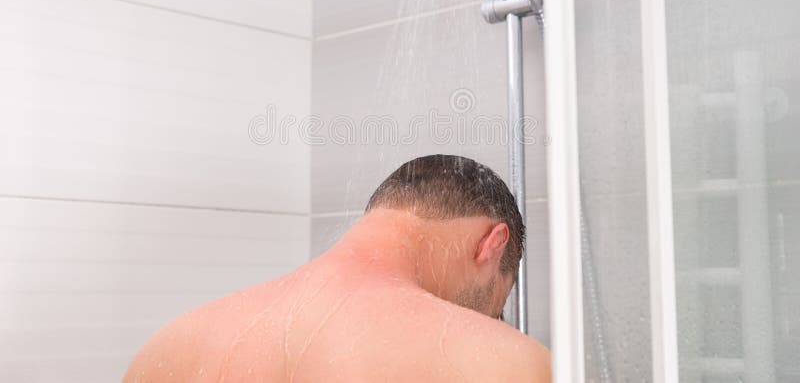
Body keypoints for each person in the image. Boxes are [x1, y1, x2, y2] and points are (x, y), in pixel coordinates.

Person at [124, 154, 551, 382]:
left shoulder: (173, 345)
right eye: (497, 300)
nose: (492, 320)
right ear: (492, 245)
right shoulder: (504, 364)